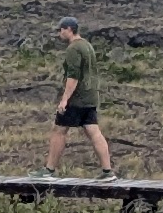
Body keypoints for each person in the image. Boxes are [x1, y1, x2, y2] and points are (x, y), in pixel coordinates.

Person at [47, 18, 115, 176]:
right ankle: (107, 171)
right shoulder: (87, 45)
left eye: (61, 29)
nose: (60, 33)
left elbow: (73, 76)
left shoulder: (74, 49)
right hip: (90, 96)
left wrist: (65, 100)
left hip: (77, 99)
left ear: (69, 29)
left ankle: (49, 170)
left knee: (59, 130)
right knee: (94, 131)